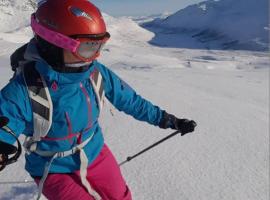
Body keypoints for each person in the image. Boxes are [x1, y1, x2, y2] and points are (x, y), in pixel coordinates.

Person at [0, 0, 197, 200]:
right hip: (52, 169)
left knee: (121, 197)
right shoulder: (24, 90)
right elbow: (5, 122)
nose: (95, 56)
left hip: (95, 152)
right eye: (87, 47)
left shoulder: (96, 74)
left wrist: (167, 119)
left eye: (99, 45)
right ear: (52, 43)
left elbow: (131, 101)